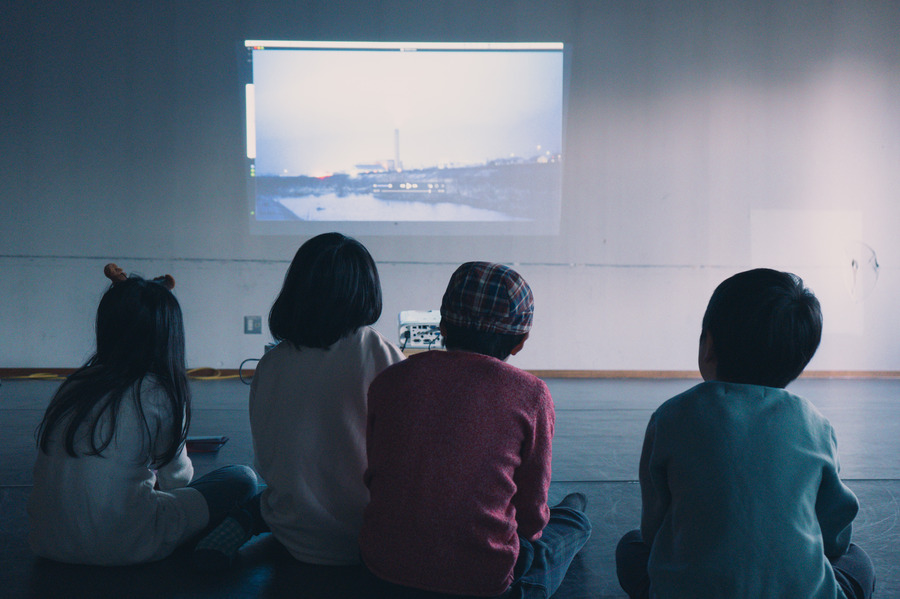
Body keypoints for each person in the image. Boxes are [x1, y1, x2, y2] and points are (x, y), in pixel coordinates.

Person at [616, 268, 876, 599]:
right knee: (858, 562)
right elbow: (835, 534)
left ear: (708, 345)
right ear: (799, 360)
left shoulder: (670, 416)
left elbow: (654, 528)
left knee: (630, 547)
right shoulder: (816, 424)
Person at [358, 261, 592, 598]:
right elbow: (530, 514)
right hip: (482, 581)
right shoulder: (531, 394)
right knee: (570, 524)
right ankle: (569, 516)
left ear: (442, 325)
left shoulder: (390, 380)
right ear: (520, 341)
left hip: (381, 569)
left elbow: (377, 473)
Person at [193, 232, 405, 570]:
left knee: (258, 493)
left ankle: (232, 532)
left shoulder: (273, 363)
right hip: (369, 539)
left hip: (294, 533)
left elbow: (269, 451)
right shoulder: (382, 354)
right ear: (366, 289)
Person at [28, 269, 258, 565]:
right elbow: (177, 480)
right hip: (124, 545)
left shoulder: (74, 385)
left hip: (48, 542)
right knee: (242, 478)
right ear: (169, 335)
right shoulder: (160, 392)